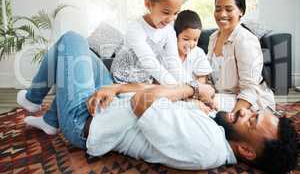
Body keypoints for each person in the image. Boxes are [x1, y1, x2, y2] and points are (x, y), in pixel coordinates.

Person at [17, 32, 297, 174]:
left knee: (70, 40)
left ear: (246, 150)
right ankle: (49, 120)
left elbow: (143, 101)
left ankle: (33, 101)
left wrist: (192, 88)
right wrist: (117, 86)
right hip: (109, 104)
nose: (245, 111)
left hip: (86, 121)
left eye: (252, 120)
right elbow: (155, 90)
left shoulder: (205, 145)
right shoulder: (218, 129)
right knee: (82, 57)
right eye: (254, 112)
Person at [110, 0, 192, 85]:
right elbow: (150, 63)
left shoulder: (169, 31)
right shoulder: (135, 28)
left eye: (175, 13)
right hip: (123, 80)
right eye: (166, 12)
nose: (170, 19)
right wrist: (178, 88)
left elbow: (174, 64)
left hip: (144, 80)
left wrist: (192, 85)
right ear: (148, 3)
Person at [207, 0, 275, 113]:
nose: (222, 14)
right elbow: (210, 79)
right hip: (222, 97)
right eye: (218, 9)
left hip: (249, 103)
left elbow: (250, 90)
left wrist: (232, 119)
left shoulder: (246, 40)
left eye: (229, 9)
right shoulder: (213, 38)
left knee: (197, 106)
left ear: (241, 11)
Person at [174, 10, 212, 84]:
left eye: (195, 40)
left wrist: (191, 88)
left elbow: (203, 78)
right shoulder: (168, 51)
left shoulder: (198, 53)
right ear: (175, 35)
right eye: (186, 39)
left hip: (193, 92)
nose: (191, 44)